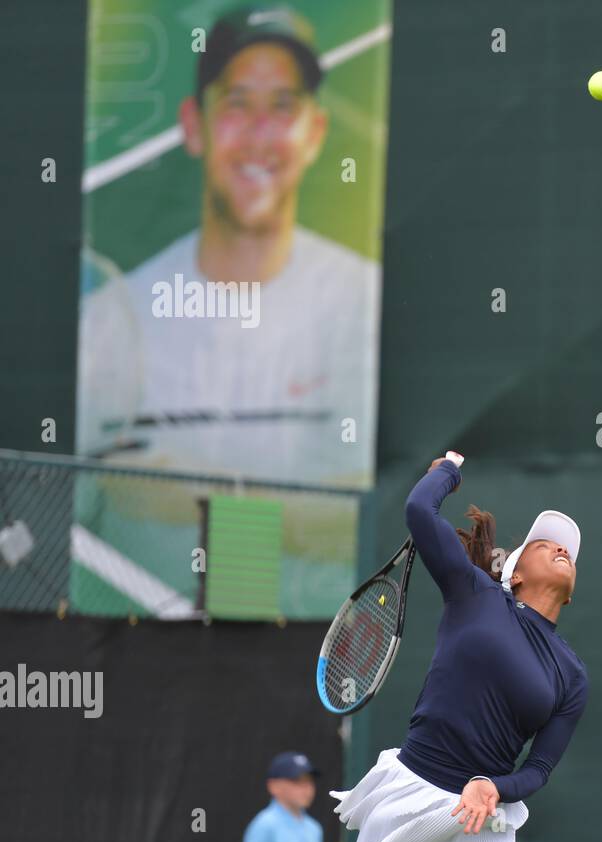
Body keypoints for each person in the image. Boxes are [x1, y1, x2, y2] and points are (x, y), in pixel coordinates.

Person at [77, 4, 380, 487]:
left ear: (315, 132)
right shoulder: (113, 320)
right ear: (194, 125)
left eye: (283, 105)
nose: (260, 133)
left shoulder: (366, 307)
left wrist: (173, 493)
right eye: (237, 102)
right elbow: (78, 508)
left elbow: (380, 514)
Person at [330, 455, 589, 842]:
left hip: (482, 820)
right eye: (544, 545)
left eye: (568, 552)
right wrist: (447, 470)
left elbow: (539, 768)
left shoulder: (572, 676)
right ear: (515, 574)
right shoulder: (476, 593)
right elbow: (419, 509)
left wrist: (494, 787)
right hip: (408, 797)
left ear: (570, 592)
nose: (561, 549)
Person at [239, 751, 324, 842]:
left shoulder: (315, 828)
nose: (306, 787)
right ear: (273, 786)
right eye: (297, 781)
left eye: (309, 781)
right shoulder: (264, 825)